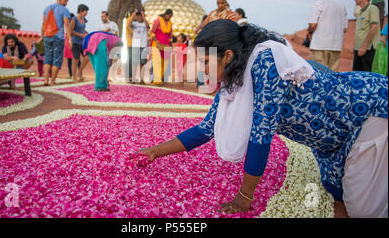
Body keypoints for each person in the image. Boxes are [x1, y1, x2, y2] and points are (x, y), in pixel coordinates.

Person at [138, 19, 388, 218]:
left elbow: (261, 134)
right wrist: (155, 152)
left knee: (363, 210)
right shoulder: (234, 77)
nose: (203, 70)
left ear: (226, 55)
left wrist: (245, 197)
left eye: (205, 61)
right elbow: (206, 128)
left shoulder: (265, 62)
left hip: (366, 110)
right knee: (337, 190)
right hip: (333, 142)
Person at [307, 0, 348, 72]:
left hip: (320, 45)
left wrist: (309, 33)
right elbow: (345, 28)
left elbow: (312, 25)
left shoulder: (319, 3)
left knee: (319, 73)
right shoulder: (341, 5)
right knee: (333, 74)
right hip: (336, 46)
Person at [41, 0, 72, 86]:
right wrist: (69, 39)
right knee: (57, 59)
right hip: (58, 37)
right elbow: (66, 25)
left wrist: (42, 36)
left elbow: (43, 24)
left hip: (47, 36)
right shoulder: (64, 10)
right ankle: (52, 81)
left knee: (47, 58)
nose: (67, 3)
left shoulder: (46, 8)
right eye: (66, 1)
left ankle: (46, 80)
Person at [353, 0, 380, 72]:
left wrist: (364, 46)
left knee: (367, 74)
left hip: (367, 49)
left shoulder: (372, 9)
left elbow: (374, 27)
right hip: (358, 49)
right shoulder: (360, 12)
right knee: (356, 73)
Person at [150, 9, 173, 85]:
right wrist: (156, 41)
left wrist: (171, 46)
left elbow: (170, 36)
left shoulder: (170, 23)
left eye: (171, 16)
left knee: (164, 63)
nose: (170, 18)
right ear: (166, 14)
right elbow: (152, 32)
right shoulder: (157, 21)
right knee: (157, 62)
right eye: (169, 16)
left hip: (166, 45)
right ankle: (157, 80)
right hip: (157, 44)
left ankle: (160, 79)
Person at [126, 9, 150, 83]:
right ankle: (133, 78)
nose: (139, 17)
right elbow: (129, 25)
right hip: (135, 45)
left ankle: (141, 79)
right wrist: (134, 14)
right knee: (134, 62)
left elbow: (148, 27)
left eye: (141, 16)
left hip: (143, 45)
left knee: (142, 63)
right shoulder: (135, 23)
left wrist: (143, 15)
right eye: (138, 16)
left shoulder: (145, 23)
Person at [70, 4, 90, 83]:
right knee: (76, 59)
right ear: (81, 11)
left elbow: (83, 29)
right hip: (75, 42)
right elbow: (70, 31)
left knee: (87, 57)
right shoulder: (74, 19)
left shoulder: (84, 19)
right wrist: (80, 35)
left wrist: (87, 34)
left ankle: (79, 72)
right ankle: (74, 77)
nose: (87, 13)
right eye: (86, 11)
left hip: (83, 42)